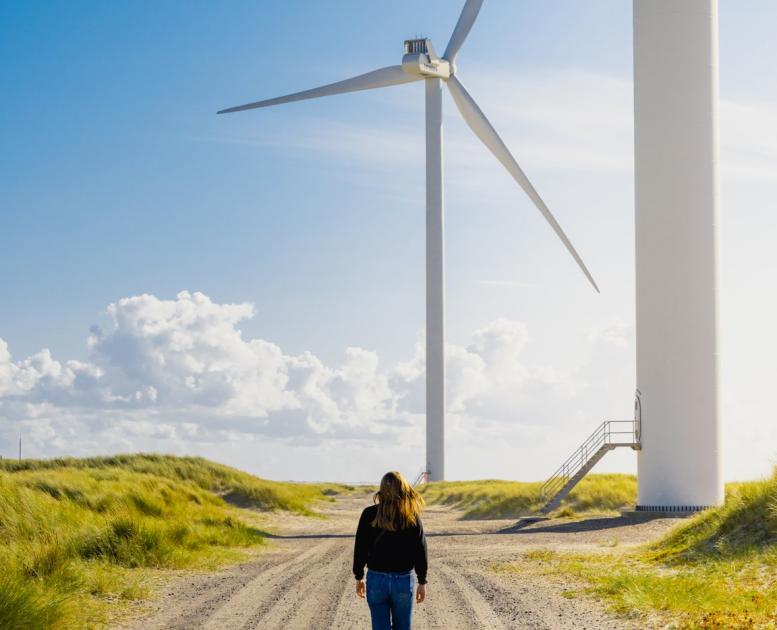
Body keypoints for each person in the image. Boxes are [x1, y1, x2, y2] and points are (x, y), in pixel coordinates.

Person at [353, 471, 428, 630]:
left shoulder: (369, 514)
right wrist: (422, 581)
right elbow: (420, 550)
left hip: (376, 579)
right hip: (403, 580)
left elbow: (360, 547)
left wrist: (359, 576)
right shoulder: (411, 516)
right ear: (403, 489)